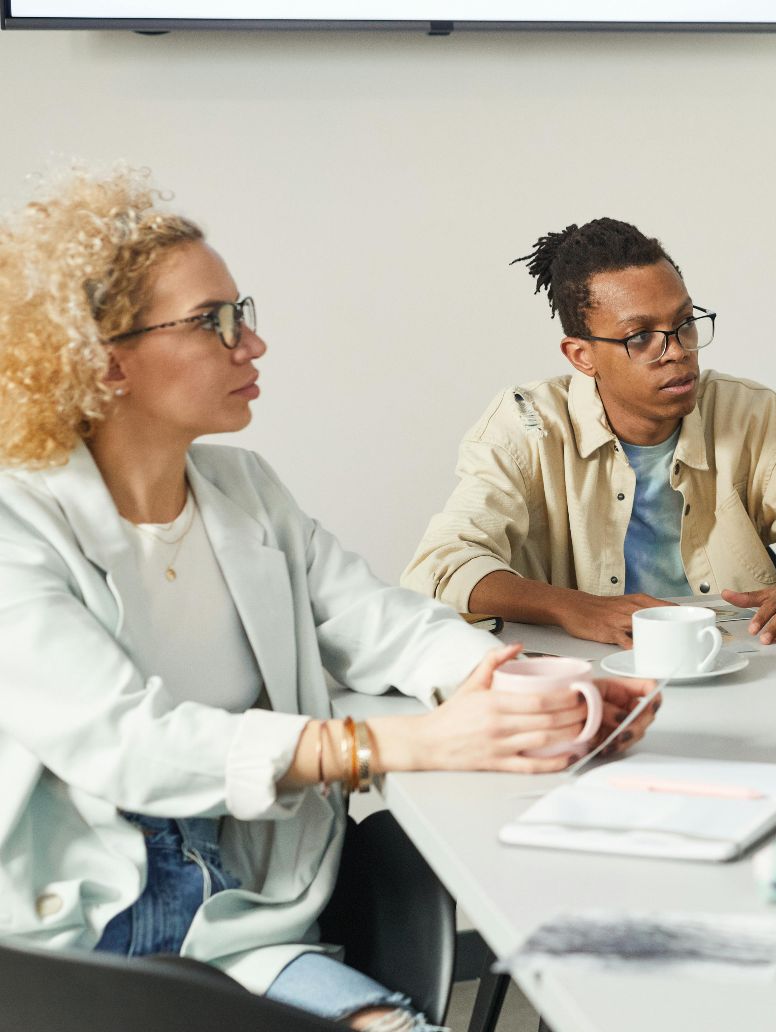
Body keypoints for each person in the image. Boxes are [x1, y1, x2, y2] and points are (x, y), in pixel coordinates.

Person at [0, 170, 660, 1030]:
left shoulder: (244, 489)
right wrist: (394, 744)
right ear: (103, 360)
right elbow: (129, 744)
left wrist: (522, 684)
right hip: (67, 949)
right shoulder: (17, 521)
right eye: (215, 322)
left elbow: (376, 619)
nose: (254, 345)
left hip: (236, 921)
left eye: (245, 313)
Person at [403, 218, 776, 647]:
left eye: (684, 324)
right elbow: (444, 565)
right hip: (590, 682)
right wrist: (573, 607)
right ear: (580, 356)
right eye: (640, 338)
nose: (677, 351)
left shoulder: (748, 412)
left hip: (740, 660)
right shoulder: (527, 427)